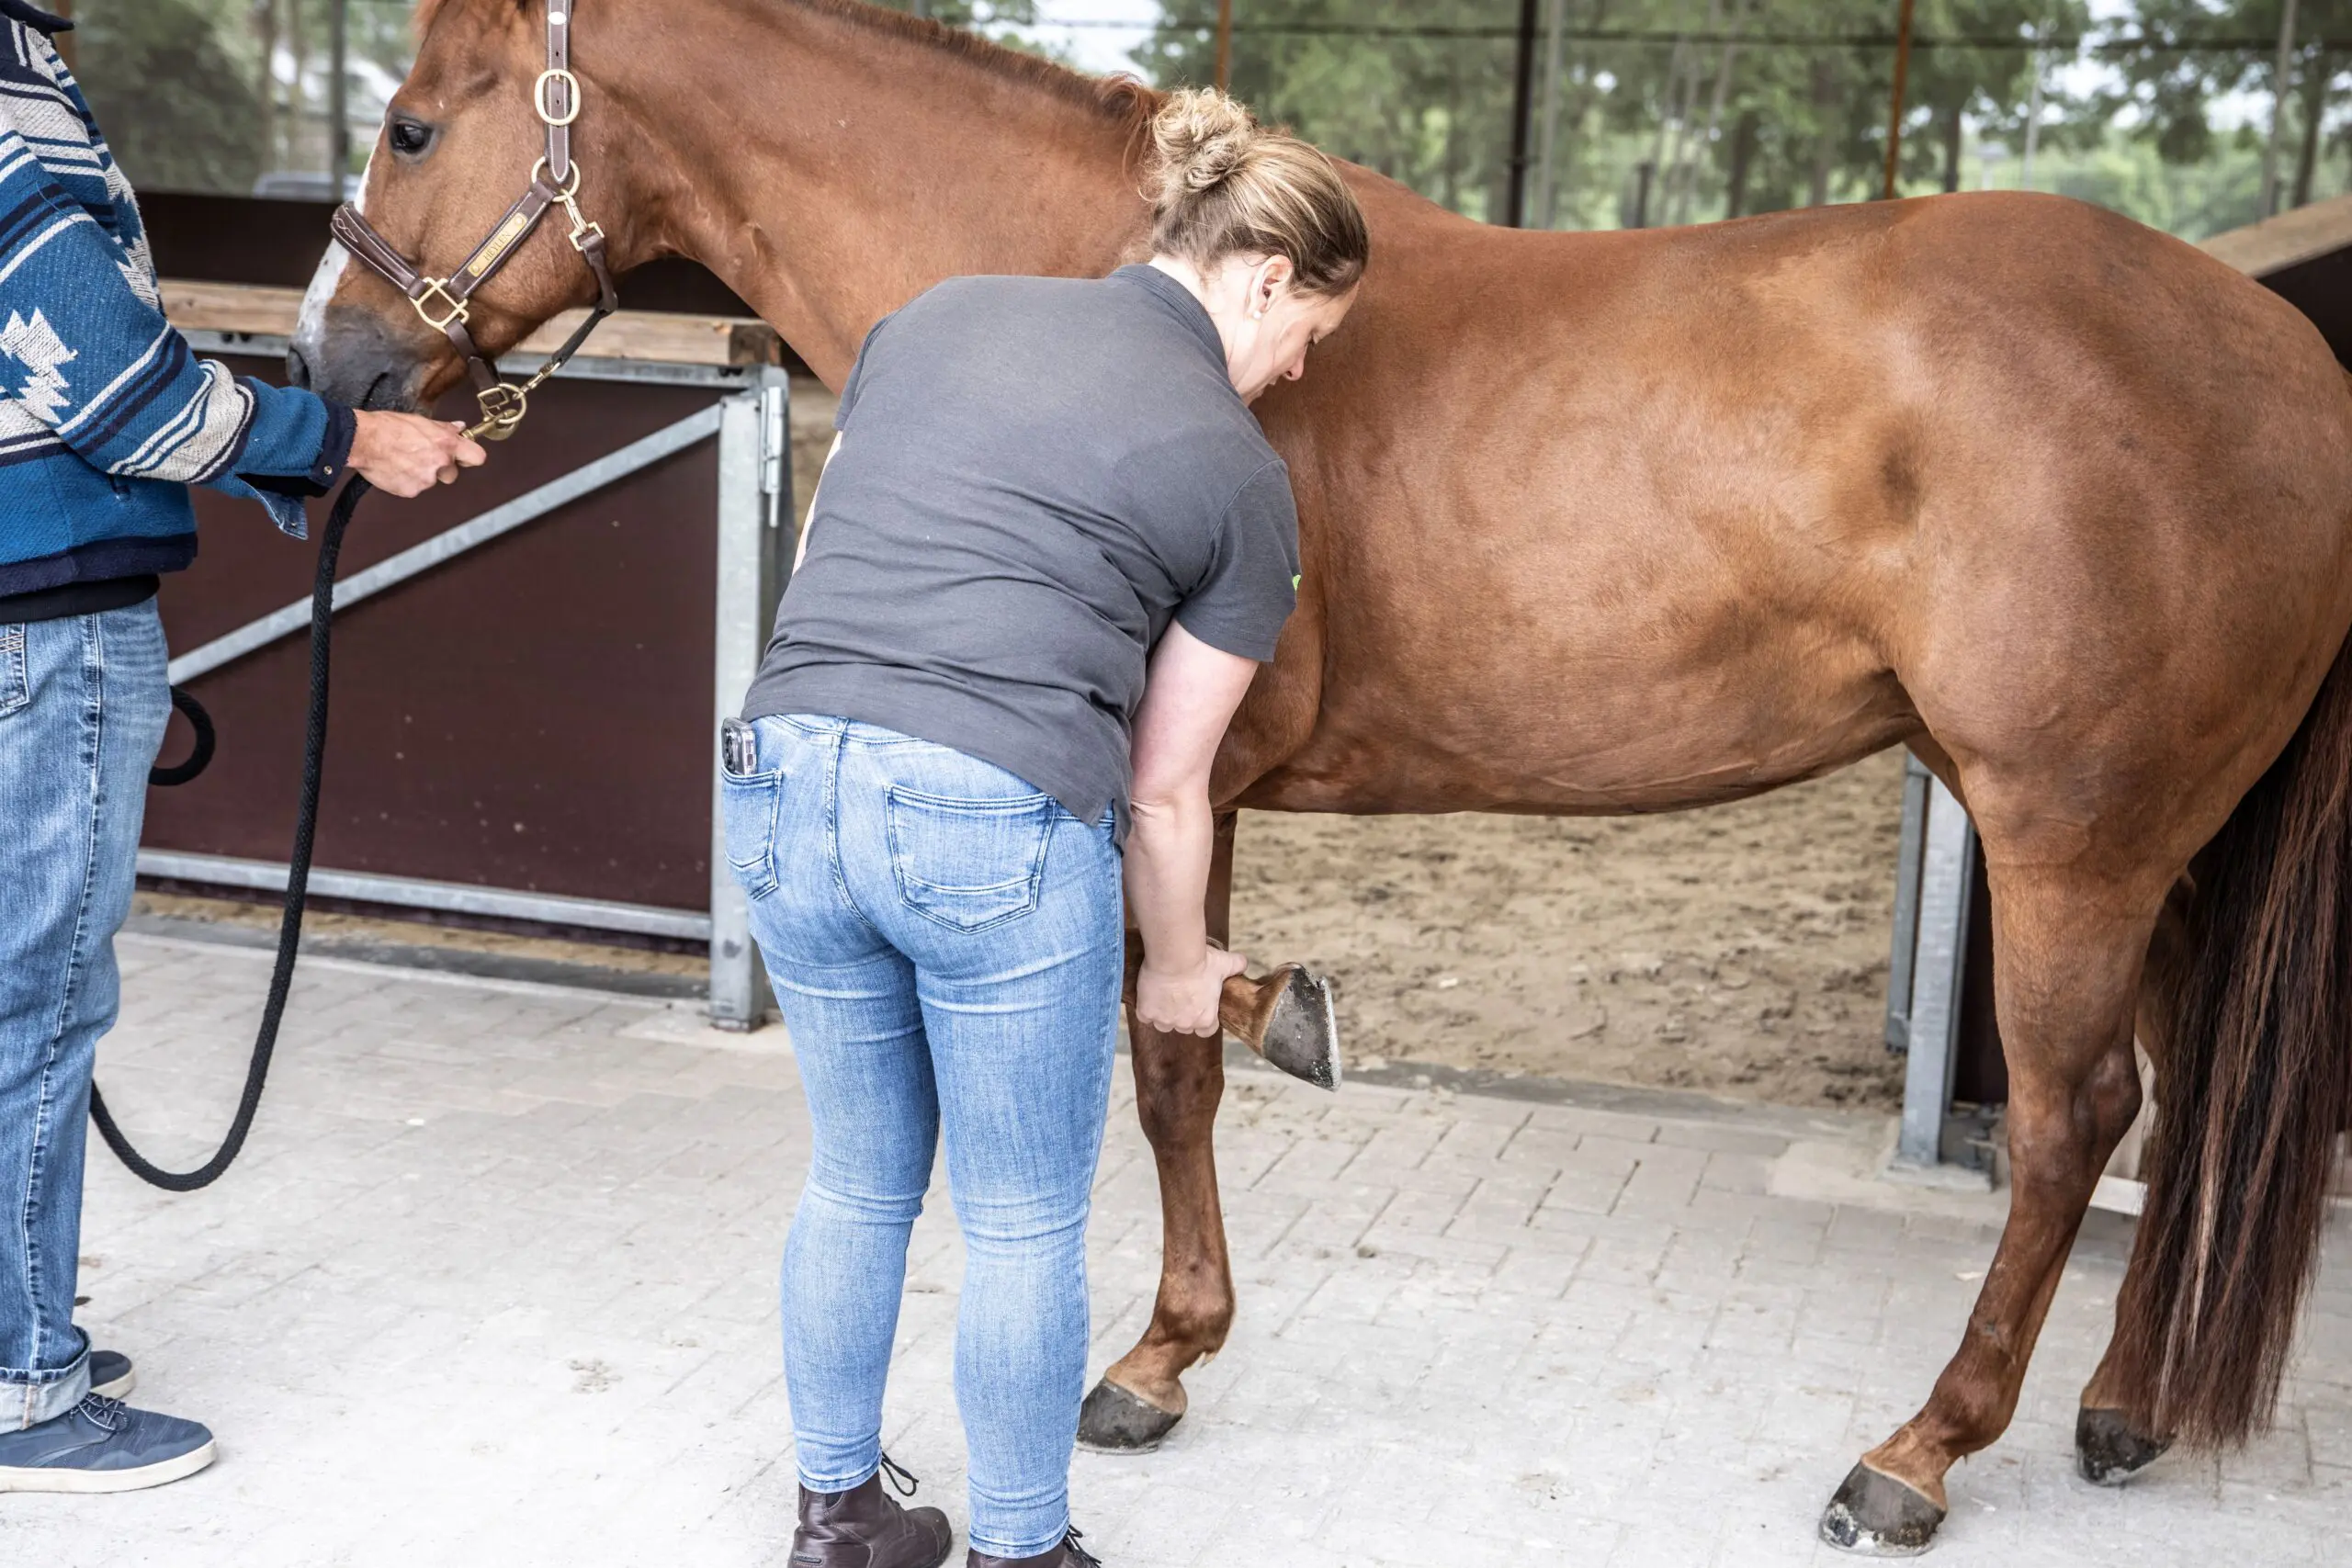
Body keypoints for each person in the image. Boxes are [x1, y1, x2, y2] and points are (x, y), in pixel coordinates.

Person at [720, 87, 1368, 1568]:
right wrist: (1183, 969)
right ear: (1266, 276)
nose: (1294, 369)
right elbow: (1161, 785)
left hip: (784, 773)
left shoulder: (932, 318)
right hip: (983, 812)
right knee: (1019, 1221)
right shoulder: (1237, 473)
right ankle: (1023, 1545)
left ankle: (837, 1518)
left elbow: (827, 566)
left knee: (857, 1176)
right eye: (1312, 337)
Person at [0, 0, 481, 1493]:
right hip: (49, 629)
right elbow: (110, 380)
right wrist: (340, 445)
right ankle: (23, 1383)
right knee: (39, 1000)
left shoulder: (32, 79)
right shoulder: (9, 111)